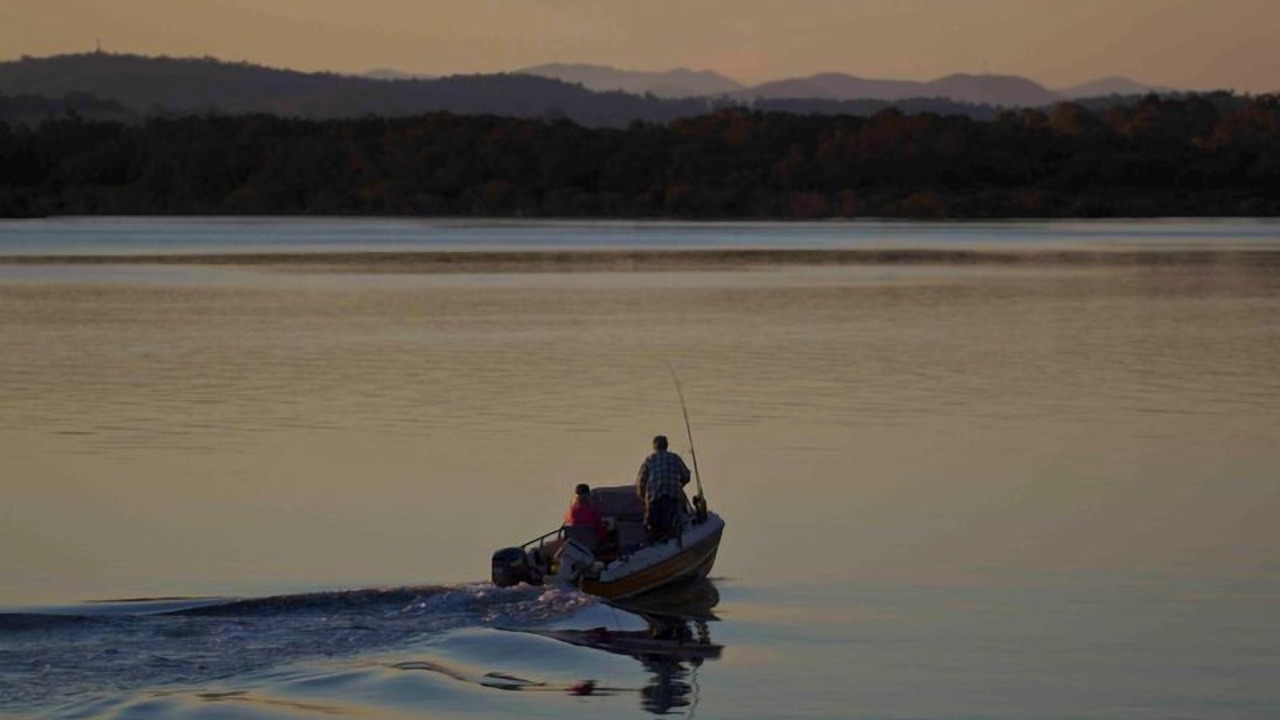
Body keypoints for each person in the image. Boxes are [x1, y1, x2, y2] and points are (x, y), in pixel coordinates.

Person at [636, 435, 691, 543]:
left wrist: (643, 498)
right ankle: (670, 538)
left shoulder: (649, 460)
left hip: (654, 500)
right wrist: (680, 485)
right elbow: (687, 476)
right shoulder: (675, 458)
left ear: (654, 447)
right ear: (666, 445)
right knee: (670, 523)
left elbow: (641, 483)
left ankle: (654, 541)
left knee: (652, 525)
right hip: (672, 498)